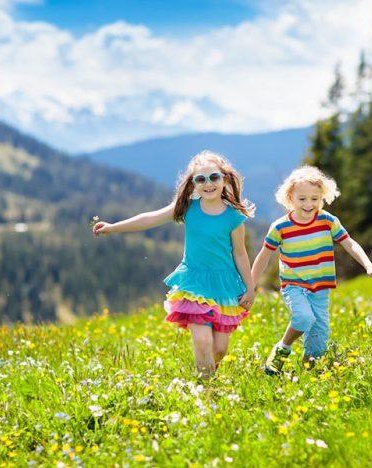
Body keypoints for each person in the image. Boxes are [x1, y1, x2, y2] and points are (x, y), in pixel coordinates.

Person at [93, 150, 255, 379]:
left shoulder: (234, 217)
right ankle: (206, 388)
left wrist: (250, 287)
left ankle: (210, 369)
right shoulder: (188, 208)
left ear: (225, 179)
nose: (208, 184)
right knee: (202, 340)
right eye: (201, 179)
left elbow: (240, 253)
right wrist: (113, 227)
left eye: (214, 177)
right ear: (193, 184)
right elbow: (149, 218)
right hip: (194, 283)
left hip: (224, 284)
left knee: (219, 349)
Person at [251, 165, 372, 375]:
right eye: (302, 199)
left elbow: (349, 243)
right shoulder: (280, 227)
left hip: (320, 287)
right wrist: (251, 286)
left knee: (319, 334)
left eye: (314, 199)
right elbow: (264, 256)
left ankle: (310, 372)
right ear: (290, 198)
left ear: (322, 198)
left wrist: (369, 266)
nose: (309, 204)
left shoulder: (328, 221)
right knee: (303, 318)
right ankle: (282, 349)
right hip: (294, 285)